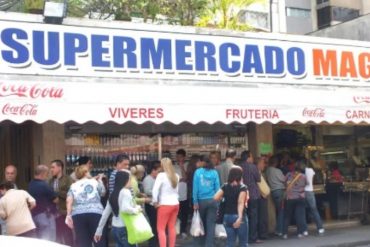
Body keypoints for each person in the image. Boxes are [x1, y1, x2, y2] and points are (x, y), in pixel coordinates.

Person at [94, 171, 141, 247]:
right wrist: (136, 210)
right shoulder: (126, 192)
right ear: (125, 180)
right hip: (126, 227)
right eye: (129, 179)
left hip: (115, 228)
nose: (131, 182)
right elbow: (125, 209)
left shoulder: (113, 194)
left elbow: (105, 214)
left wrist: (99, 231)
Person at [66, 164, 107, 247]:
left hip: (78, 214)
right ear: (85, 173)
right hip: (95, 213)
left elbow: (68, 200)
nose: (90, 173)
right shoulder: (95, 182)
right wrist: (100, 181)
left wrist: (68, 215)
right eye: (88, 171)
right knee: (99, 240)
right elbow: (103, 192)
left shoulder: (73, 185)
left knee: (83, 242)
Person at [214, 166, 248, 247]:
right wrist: (239, 218)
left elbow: (215, 197)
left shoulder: (225, 186)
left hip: (227, 216)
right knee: (243, 242)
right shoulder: (242, 187)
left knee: (230, 242)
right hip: (238, 216)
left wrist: (225, 197)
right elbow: (240, 202)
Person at [152, 158, 180, 247]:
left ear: (162, 165)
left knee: (161, 229)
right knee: (171, 227)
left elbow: (155, 190)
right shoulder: (176, 176)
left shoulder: (161, 175)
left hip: (165, 204)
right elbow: (177, 191)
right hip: (175, 204)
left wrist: (155, 202)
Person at [193, 158, 220, 247]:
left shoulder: (198, 172)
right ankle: (209, 244)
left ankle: (199, 243)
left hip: (201, 201)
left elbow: (195, 188)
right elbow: (217, 188)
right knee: (211, 223)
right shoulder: (214, 172)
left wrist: (195, 201)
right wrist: (218, 203)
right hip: (213, 200)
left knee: (200, 222)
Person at [28, 164, 58, 241]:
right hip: (45, 216)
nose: (47, 176)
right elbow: (55, 199)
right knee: (49, 239)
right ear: (43, 174)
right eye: (47, 174)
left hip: (34, 215)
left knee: (39, 239)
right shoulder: (44, 185)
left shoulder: (30, 184)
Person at [49, 159, 74, 246]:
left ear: (59, 168)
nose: (51, 169)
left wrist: (57, 193)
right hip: (53, 213)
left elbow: (71, 193)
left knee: (68, 236)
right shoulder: (50, 181)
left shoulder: (68, 179)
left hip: (64, 212)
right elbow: (48, 194)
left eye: (53, 167)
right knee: (57, 236)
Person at [282, 159, 307, 239]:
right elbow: (307, 184)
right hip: (300, 198)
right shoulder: (303, 176)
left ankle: (285, 234)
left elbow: (284, 182)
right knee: (299, 216)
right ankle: (299, 233)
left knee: (287, 216)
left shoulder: (288, 174)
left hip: (290, 198)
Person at [240, 150, 261, 244]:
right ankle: (253, 237)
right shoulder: (253, 167)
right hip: (253, 194)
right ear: (248, 157)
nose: (252, 158)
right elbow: (258, 179)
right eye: (251, 157)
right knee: (253, 216)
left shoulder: (238, 167)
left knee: (243, 217)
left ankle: (244, 237)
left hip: (242, 195)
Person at [265, 156, 286, 237]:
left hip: (273, 192)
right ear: (276, 163)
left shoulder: (267, 171)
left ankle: (278, 229)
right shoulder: (277, 171)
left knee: (278, 211)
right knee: (281, 211)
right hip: (280, 191)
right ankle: (279, 230)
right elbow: (284, 180)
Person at [143, 161, 161, 247]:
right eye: (158, 171)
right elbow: (147, 190)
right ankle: (153, 243)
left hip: (156, 204)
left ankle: (156, 241)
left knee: (156, 224)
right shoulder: (148, 179)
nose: (159, 173)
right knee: (153, 224)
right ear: (153, 170)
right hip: (150, 205)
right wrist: (157, 191)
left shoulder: (156, 178)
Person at [304, 162, 325, 235]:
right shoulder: (310, 170)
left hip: (302, 192)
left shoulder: (300, 171)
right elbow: (313, 181)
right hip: (310, 191)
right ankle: (320, 228)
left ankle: (305, 230)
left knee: (302, 211)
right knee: (314, 210)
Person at [173, 149, 189, 239]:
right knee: (175, 214)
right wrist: (180, 179)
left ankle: (183, 231)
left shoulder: (187, 165)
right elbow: (173, 179)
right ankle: (175, 231)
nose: (178, 158)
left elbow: (186, 177)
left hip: (184, 194)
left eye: (180, 157)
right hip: (175, 195)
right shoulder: (173, 166)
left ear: (184, 157)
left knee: (184, 214)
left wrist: (182, 166)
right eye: (177, 156)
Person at [257, 157, 269, 240]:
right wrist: (263, 193)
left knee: (262, 216)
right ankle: (262, 234)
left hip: (262, 196)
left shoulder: (260, 173)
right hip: (261, 197)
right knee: (262, 216)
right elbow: (258, 185)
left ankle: (263, 233)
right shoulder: (257, 173)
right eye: (262, 163)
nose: (264, 165)